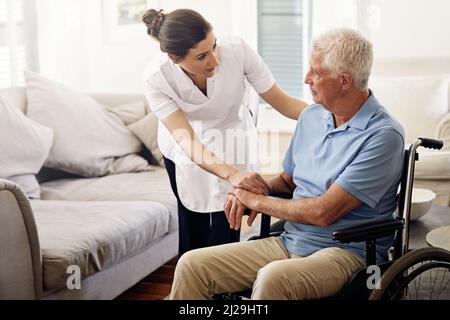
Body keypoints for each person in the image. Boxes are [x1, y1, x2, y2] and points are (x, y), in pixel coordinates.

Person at [170, 28, 405, 300]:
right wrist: (250, 189)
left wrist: (256, 202)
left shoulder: (383, 136)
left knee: (274, 278)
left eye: (316, 72)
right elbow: (286, 182)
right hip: (290, 240)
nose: (306, 79)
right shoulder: (312, 117)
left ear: (344, 81)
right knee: (192, 266)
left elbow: (322, 212)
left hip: (346, 253)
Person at [142, 9, 308, 257]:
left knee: (229, 221)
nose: (215, 60)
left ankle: (226, 287)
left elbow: (281, 101)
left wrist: (334, 116)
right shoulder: (156, 78)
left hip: (231, 136)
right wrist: (232, 174)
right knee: (193, 225)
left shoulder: (237, 50)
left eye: (214, 47)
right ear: (175, 58)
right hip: (186, 147)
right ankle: (192, 287)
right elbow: (187, 140)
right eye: (201, 56)